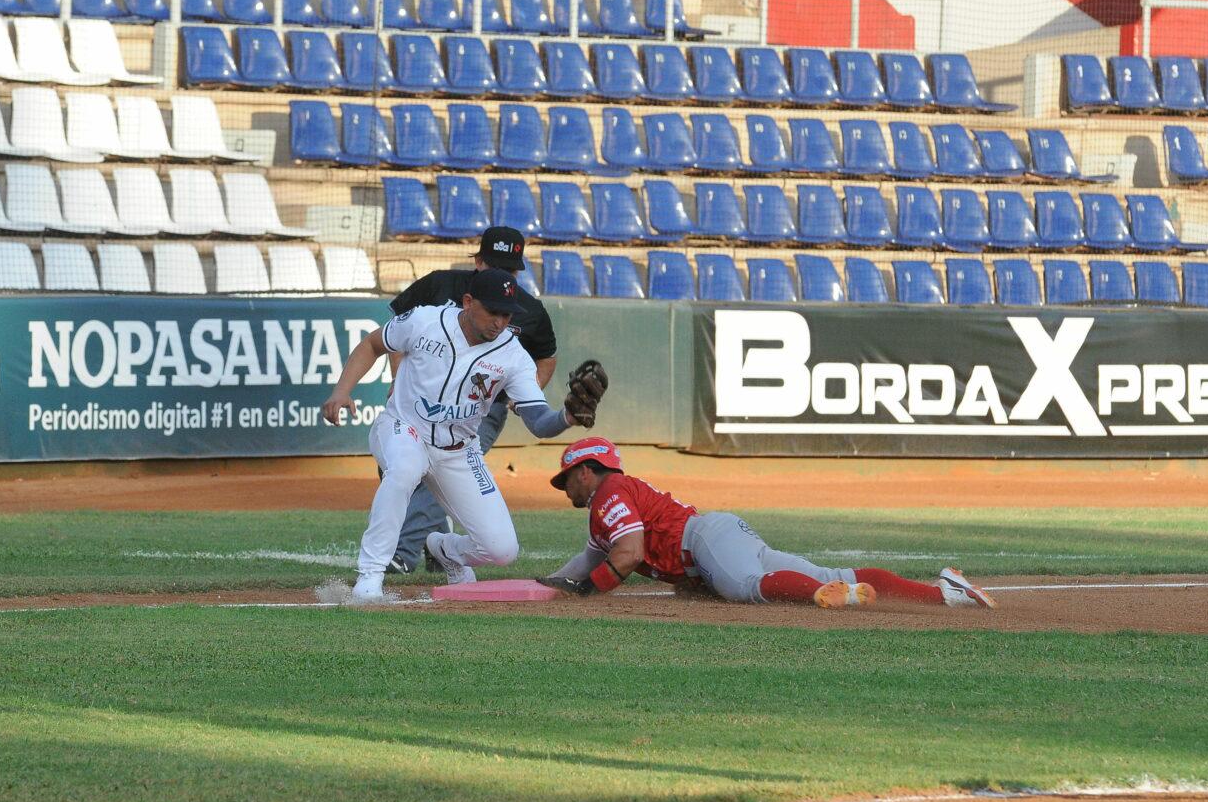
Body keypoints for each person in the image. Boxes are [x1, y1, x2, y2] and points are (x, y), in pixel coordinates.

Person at [323, 269, 602, 602]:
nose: (500, 321)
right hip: (404, 428)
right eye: (493, 311)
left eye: (507, 314)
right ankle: (370, 576)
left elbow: (539, 422)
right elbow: (373, 344)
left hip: (459, 450)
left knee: (502, 550)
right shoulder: (426, 321)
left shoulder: (513, 356)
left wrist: (567, 417)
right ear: (468, 302)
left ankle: (445, 549)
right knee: (405, 470)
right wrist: (341, 391)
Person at [537, 438, 996, 609]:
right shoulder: (614, 499)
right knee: (828, 571)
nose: (564, 488)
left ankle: (828, 596)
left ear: (586, 471)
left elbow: (628, 554)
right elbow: (591, 557)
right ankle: (947, 594)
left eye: (566, 479)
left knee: (746, 587)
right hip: (719, 536)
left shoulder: (608, 492)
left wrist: (588, 591)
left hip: (704, 542)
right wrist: (554, 584)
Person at [383, 226, 557, 574]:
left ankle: (402, 552)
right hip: (418, 400)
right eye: (494, 265)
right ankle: (440, 545)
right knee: (399, 467)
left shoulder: (529, 309)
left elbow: (547, 356)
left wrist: (527, 392)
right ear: (478, 261)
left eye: (509, 270)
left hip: (480, 409)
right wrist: (398, 376)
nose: (502, 274)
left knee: (436, 462)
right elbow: (398, 330)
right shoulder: (441, 284)